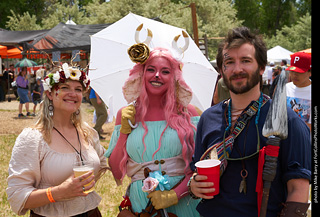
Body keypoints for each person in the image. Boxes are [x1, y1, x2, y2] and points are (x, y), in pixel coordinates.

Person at [189, 27, 311, 217]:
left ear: (262, 67)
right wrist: (194, 185)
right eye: (229, 62)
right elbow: (196, 170)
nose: (237, 69)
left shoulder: (287, 120)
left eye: (246, 61)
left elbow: (298, 189)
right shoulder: (208, 118)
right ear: (222, 70)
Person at [105, 32, 201, 215]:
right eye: (151, 69)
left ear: (174, 77)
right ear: (141, 73)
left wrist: (174, 195)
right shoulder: (124, 115)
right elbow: (117, 173)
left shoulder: (189, 113)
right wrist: (125, 131)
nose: (157, 75)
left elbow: (198, 167)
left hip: (184, 204)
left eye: (165, 71)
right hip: (142, 205)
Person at [7, 63, 108, 217]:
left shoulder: (87, 132)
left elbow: (103, 161)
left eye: (78, 89)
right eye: (65, 87)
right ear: (50, 94)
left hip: (91, 213)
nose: (73, 94)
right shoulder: (34, 138)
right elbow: (17, 195)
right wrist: (58, 193)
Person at [286, 52, 311, 131]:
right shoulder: (285, 88)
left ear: (310, 73)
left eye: (299, 72)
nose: (294, 75)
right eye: (292, 71)